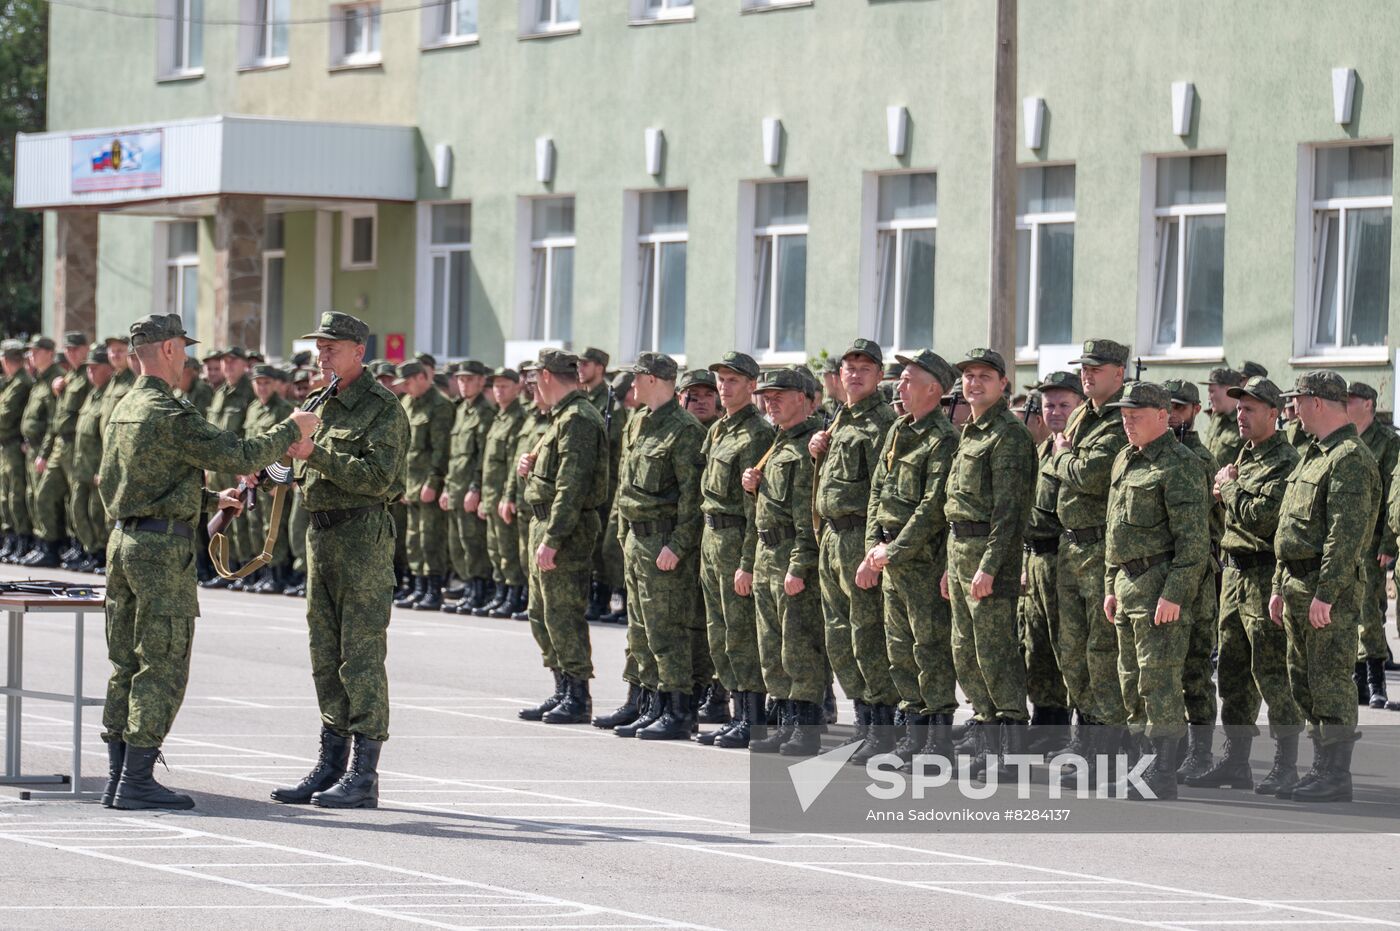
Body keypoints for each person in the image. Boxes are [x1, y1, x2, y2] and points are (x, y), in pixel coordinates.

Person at [101, 314, 317, 810]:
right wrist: (292, 427)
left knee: (125, 662)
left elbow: (129, 484)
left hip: (124, 542)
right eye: (185, 349)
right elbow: (239, 453)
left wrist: (205, 500)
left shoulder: (124, 407)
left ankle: (119, 777)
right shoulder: (169, 411)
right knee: (162, 663)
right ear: (172, 349)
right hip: (159, 554)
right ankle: (135, 782)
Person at [270, 312, 408, 810]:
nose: (322, 356)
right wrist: (262, 473)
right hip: (321, 538)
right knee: (324, 655)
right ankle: (330, 765)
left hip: (362, 537)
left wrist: (317, 455)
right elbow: (289, 457)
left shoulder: (382, 408)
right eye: (319, 348)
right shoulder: (315, 401)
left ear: (359, 352)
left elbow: (378, 478)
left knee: (361, 657)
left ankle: (363, 775)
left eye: (332, 348)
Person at [1269, 370, 1379, 803]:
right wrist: (1279, 584)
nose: (1292, 410)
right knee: (1304, 681)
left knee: (1330, 682)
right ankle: (1319, 767)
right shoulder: (1314, 454)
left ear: (1317, 402)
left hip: (1322, 588)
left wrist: (1327, 594)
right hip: (1297, 583)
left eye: (1297, 401)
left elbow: (1345, 535)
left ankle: (1335, 774)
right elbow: (1290, 527)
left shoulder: (1349, 456)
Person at [1190, 376, 1304, 793]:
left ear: (1274, 413)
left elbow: (1263, 518)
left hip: (1263, 574)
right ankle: (1236, 761)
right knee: (1233, 674)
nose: (1241, 414)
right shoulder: (1247, 455)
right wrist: (1229, 488)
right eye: (1238, 407)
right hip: (1234, 573)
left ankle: (1285, 764)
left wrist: (1230, 487)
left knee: (1271, 673)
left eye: (1250, 408)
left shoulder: (1285, 462)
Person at [1103, 381, 1211, 801]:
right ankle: (1142, 764)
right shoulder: (1124, 460)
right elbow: (1115, 531)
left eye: (1136, 415)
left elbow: (1194, 543)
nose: (1127, 422)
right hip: (1127, 588)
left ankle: (1163, 770)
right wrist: (1111, 584)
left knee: (1159, 681)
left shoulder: (1179, 465)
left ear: (1163, 417)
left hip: (1159, 589)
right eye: (1124, 415)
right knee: (1131, 681)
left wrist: (1175, 594)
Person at [858, 350, 961, 765]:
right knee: (899, 650)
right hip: (889, 558)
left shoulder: (943, 439)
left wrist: (892, 551)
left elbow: (933, 506)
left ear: (934, 389)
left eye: (908, 380)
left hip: (921, 561)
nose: (899, 385)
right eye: (899, 379)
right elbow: (877, 494)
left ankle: (938, 740)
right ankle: (913, 731)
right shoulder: (899, 429)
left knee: (929, 649)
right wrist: (872, 548)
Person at [941, 348, 1037, 778]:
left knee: (995, 652)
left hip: (987, 554)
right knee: (965, 651)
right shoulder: (970, 431)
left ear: (1003, 385)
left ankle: (1011, 749)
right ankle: (986, 736)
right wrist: (951, 564)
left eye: (984, 376)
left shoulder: (1008, 436)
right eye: (968, 376)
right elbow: (958, 505)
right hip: (959, 550)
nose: (973, 383)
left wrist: (990, 567)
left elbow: (1009, 513)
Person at [809, 339, 900, 759]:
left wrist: (875, 547)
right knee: (840, 637)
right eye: (849, 367)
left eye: (866, 367)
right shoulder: (840, 419)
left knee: (867, 636)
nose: (856, 374)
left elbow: (886, 491)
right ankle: (863, 720)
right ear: (838, 375)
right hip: (831, 537)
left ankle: (881, 727)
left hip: (858, 537)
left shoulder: (881, 423)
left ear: (880, 376)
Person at [609, 352, 706, 740]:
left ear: (652, 379)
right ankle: (651, 705)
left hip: (664, 541)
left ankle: (678, 710)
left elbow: (692, 497)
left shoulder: (684, 430)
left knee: (668, 630)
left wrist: (679, 545)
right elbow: (625, 484)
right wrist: (623, 534)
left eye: (636, 377)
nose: (631, 384)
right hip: (637, 538)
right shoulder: (637, 422)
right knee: (642, 631)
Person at [1049, 339, 1131, 774]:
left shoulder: (1123, 418)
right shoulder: (1083, 414)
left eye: (1096, 368)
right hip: (1069, 544)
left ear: (1119, 372)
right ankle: (1086, 729)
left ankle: (1109, 741)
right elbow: (1060, 469)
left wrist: (1065, 455)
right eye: (1084, 367)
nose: (1087, 374)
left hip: (1101, 546)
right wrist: (1066, 458)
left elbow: (1088, 474)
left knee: (1103, 648)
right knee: (1071, 646)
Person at [517, 349, 610, 724]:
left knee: (562, 612)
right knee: (541, 612)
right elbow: (555, 477)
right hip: (545, 523)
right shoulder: (559, 418)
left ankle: (577, 694)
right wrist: (531, 468)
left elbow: (572, 487)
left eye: (536, 375)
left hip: (564, 528)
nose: (533, 383)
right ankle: (561, 688)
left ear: (548, 376)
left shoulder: (578, 419)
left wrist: (553, 538)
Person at [686, 351, 773, 748]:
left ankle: (751, 718)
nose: (724, 387)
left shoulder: (756, 433)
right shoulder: (719, 429)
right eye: (721, 379)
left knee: (740, 633)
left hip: (737, 538)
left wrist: (747, 561)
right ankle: (735, 712)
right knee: (719, 631)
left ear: (752, 386)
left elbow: (757, 507)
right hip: (711, 538)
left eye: (733, 380)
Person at [744, 368, 825, 756]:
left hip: (790, 554)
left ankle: (804, 728)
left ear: (802, 399)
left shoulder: (808, 445)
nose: (770, 402)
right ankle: (784, 720)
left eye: (779, 395)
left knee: (798, 646)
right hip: (766, 554)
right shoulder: (777, 443)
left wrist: (800, 564)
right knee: (771, 644)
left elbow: (809, 515)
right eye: (766, 396)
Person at [1162, 378, 1223, 781]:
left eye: (1179, 409)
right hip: (1158, 579)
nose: (1171, 416)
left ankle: (1200, 753)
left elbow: (1203, 533)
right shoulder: (1152, 456)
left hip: (1196, 580)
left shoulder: (1200, 461)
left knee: (1195, 671)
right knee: (1162, 671)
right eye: (1165, 408)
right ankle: (1173, 750)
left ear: (1196, 412)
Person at [1020, 372, 1084, 749]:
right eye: (1049, 405)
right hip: (1037, 560)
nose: (1055, 412)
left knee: (1070, 648)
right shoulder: (1042, 449)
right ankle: (1047, 723)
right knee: (1038, 646)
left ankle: (1080, 731)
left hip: (1066, 558)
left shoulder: (1076, 452)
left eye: (1064, 404)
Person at [1345, 381, 1398, 708]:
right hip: (1345, 540)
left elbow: (1396, 493)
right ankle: (1358, 680)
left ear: (1369, 404)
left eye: (1350, 399)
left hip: (1373, 541)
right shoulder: (1344, 438)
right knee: (1348, 612)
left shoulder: (1388, 442)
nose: (1345, 404)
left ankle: (1376, 680)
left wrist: (1390, 543)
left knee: (1369, 611)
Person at [394, 360, 454, 611]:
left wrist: (434, 482)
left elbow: (442, 449)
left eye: (408, 382)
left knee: (431, 538)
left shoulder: (440, 405)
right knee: (413, 539)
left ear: (421, 377)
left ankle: (433, 590)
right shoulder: (408, 403)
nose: (406, 388)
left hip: (428, 483)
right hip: (410, 481)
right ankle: (419, 587)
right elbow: (403, 448)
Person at [473, 367, 528, 619]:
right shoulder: (498, 417)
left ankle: (513, 596)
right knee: (495, 549)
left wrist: (508, 496)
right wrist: (484, 495)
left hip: (503, 495)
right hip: (490, 494)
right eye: (496, 386)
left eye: (505, 386)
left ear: (517, 388)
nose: (499, 390)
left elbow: (512, 464)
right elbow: (487, 463)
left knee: (508, 550)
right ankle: (500, 593)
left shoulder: (519, 418)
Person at [442, 360, 496, 613]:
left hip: (470, 488)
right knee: (458, 541)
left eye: (469, 379)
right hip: (455, 486)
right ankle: (467, 586)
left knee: (473, 541)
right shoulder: (462, 410)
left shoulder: (485, 412)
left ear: (481, 381)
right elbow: (455, 456)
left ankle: (479, 590)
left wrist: (476, 488)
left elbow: (482, 455)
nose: (463, 384)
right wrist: (446, 487)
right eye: (461, 380)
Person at [200, 347, 255, 589]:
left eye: (234, 362)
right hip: (216, 468)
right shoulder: (219, 393)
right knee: (221, 520)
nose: (228, 366)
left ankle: (243, 569)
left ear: (245, 365)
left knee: (241, 521)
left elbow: (251, 433)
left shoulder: (249, 393)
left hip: (237, 467)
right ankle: (224, 568)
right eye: (225, 362)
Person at [240, 365, 296, 593]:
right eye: (258, 383)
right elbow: (247, 444)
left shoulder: (283, 409)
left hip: (273, 477)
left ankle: (277, 574)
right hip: (254, 478)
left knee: (274, 527)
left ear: (275, 384)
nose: (262, 387)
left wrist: (280, 479)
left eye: (266, 383)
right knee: (256, 526)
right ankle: (263, 573)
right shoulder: (253, 408)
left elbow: (288, 447)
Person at [579, 347, 625, 623]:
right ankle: (595, 595)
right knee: (590, 543)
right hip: (586, 482)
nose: (580, 369)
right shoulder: (583, 399)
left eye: (586, 364)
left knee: (603, 544)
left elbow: (610, 447)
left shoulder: (611, 404)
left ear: (600, 367)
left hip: (605, 484)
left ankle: (605, 595)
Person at [18, 336, 64, 567]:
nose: (31, 356)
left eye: (36, 351)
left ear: (49, 352)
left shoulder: (56, 379)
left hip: (46, 448)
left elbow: (53, 422)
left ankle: (50, 548)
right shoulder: (40, 380)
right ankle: (40, 544)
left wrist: (44, 453)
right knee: (32, 496)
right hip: (32, 446)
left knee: (44, 496)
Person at [68, 345, 113, 573]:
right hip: (81, 464)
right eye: (88, 369)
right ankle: (91, 550)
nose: (91, 373)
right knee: (78, 508)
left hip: (96, 465)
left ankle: (101, 554)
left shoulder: (108, 396)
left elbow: (107, 437)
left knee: (97, 512)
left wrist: (102, 468)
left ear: (108, 369)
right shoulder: (92, 394)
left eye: (96, 368)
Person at [0, 341, 34, 563]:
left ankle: (21, 538)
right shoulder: (12, 382)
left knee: (16, 495)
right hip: (7, 445)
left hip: (14, 444)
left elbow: (6, 416)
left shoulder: (21, 382)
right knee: (6, 494)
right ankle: (11, 537)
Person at [1200, 367, 1246, 471]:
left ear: (1228, 390)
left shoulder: (1245, 420)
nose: (1209, 397)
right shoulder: (1216, 417)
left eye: (1212, 391)